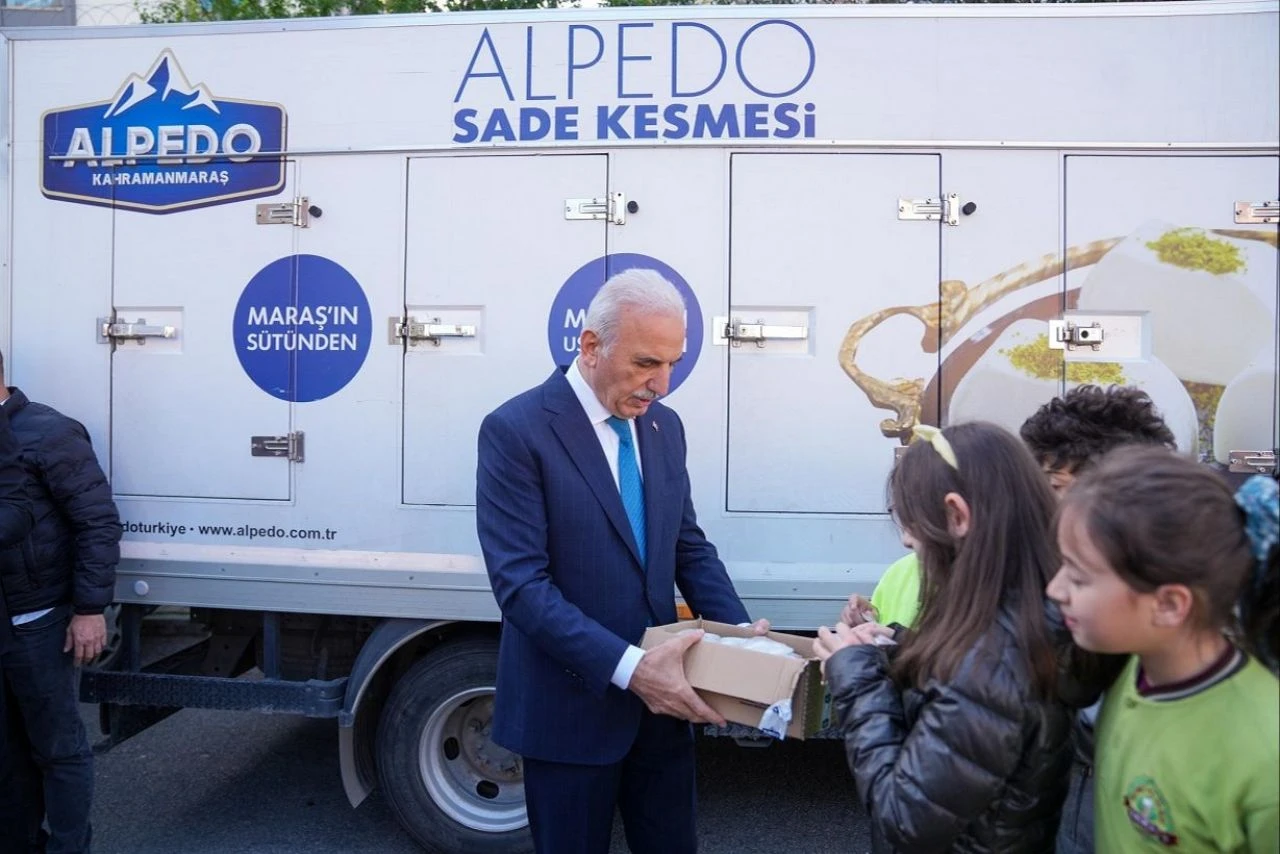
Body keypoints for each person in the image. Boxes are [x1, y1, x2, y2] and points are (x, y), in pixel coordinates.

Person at [476, 268, 766, 854]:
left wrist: (741, 638)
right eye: (644, 363)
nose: (661, 383)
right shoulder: (516, 430)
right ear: (590, 346)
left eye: (673, 364)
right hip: (568, 716)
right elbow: (522, 587)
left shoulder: (663, 426)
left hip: (662, 718)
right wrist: (634, 669)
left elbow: (686, 544)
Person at [815, 422, 1075, 853]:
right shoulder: (1028, 615)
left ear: (957, 516)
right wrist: (898, 647)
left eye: (911, 521)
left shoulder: (989, 661)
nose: (906, 540)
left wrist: (856, 678)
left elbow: (905, 820)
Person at [1047, 448, 1279, 852]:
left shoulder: (1266, 753)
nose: (1055, 590)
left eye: (1079, 578)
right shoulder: (1132, 669)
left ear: (1170, 605)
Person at [0, 353, 122, 854]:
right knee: (8, 756)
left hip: (39, 620)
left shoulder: (47, 432)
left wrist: (89, 609)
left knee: (57, 750)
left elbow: (98, 522)